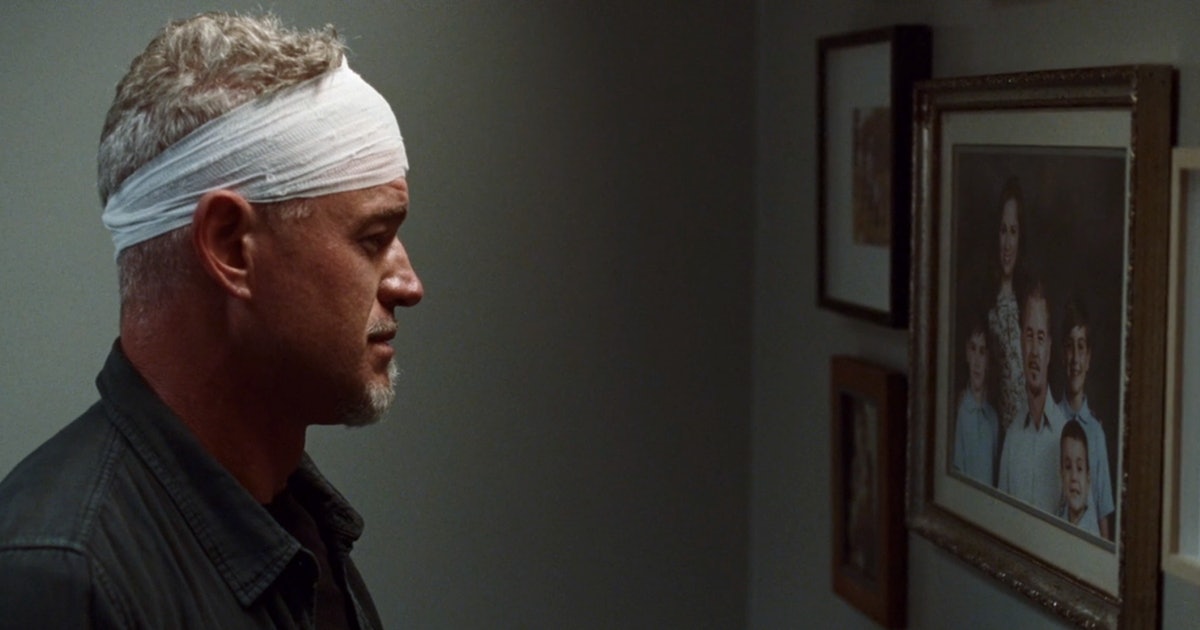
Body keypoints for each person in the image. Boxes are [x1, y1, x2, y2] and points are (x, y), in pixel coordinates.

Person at [0, 12, 423, 628]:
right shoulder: (59, 576)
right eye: (373, 238)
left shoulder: (302, 530)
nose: (408, 285)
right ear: (229, 246)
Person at [997, 278, 1066, 514]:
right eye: (1029, 336)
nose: (1034, 351)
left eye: (1040, 337)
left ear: (1049, 349)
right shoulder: (1012, 439)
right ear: (1020, 343)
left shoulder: (1064, 437)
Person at [1057, 297, 1115, 540]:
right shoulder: (1052, 421)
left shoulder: (1096, 433)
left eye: (1081, 347)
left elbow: (1103, 515)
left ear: (1089, 358)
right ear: (1062, 354)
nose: (1075, 359)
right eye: (1070, 346)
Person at [987, 177, 1029, 435]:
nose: (1007, 244)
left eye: (1013, 231)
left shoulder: (1029, 304)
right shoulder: (985, 303)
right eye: (1003, 230)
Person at [952, 309, 1000, 486]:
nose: (977, 362)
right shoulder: (958, 409)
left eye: (982, 351)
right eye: (973, 349)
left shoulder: (993, 419)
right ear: (967, 352)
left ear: (988, 359)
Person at [1057, 419, 1101, 537]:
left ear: (1088, 477)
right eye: (1068, 467)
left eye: (1080, 468)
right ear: (1061, 473)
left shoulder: (1093, 536)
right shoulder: (1056, 522)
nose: (1074, 477)